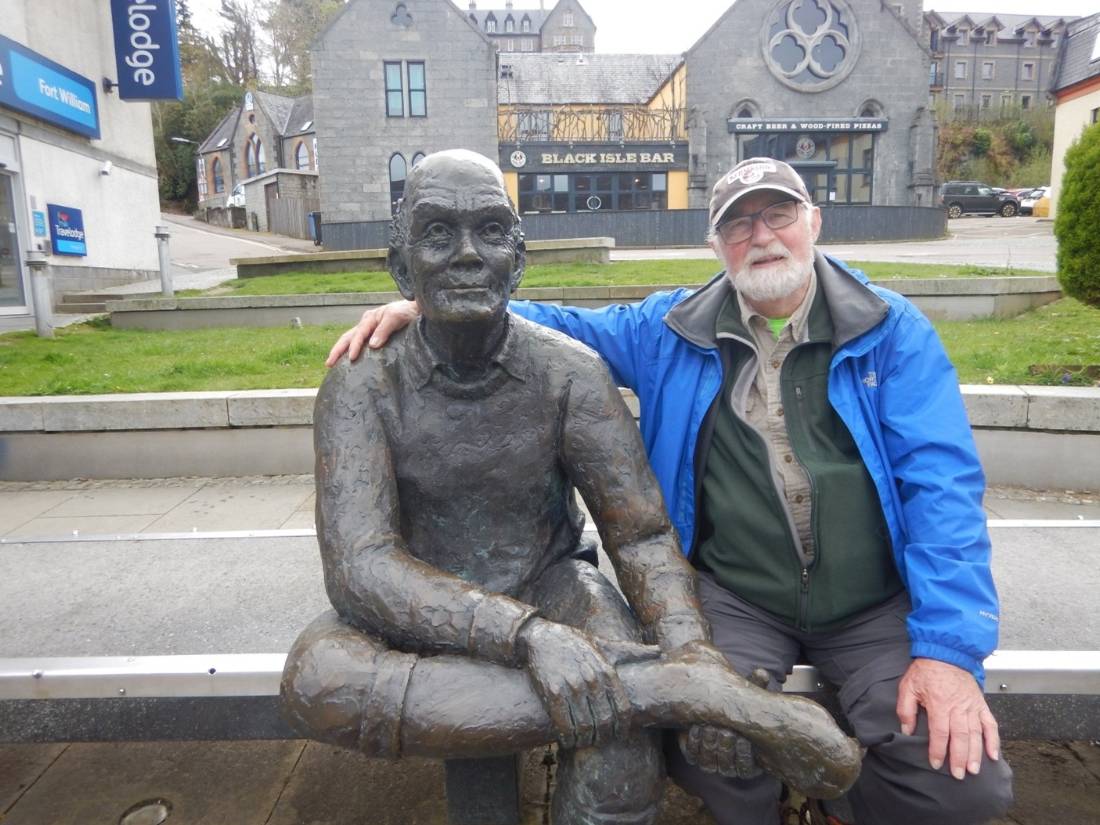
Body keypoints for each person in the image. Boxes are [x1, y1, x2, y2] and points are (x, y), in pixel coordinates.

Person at [327, 157, 1015, 825]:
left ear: (815, 222)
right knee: (707, 746)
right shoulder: (670, 330)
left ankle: (829, 799)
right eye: (739, 225)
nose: (762, 236)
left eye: (778, 215)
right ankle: (706, 717)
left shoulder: (891, 333)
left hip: (870, 603)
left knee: (958, 784)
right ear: (716, 244)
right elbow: (533, 325)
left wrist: (948, 651)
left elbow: (944, 493)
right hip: (743, 594)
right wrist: (428, 304)